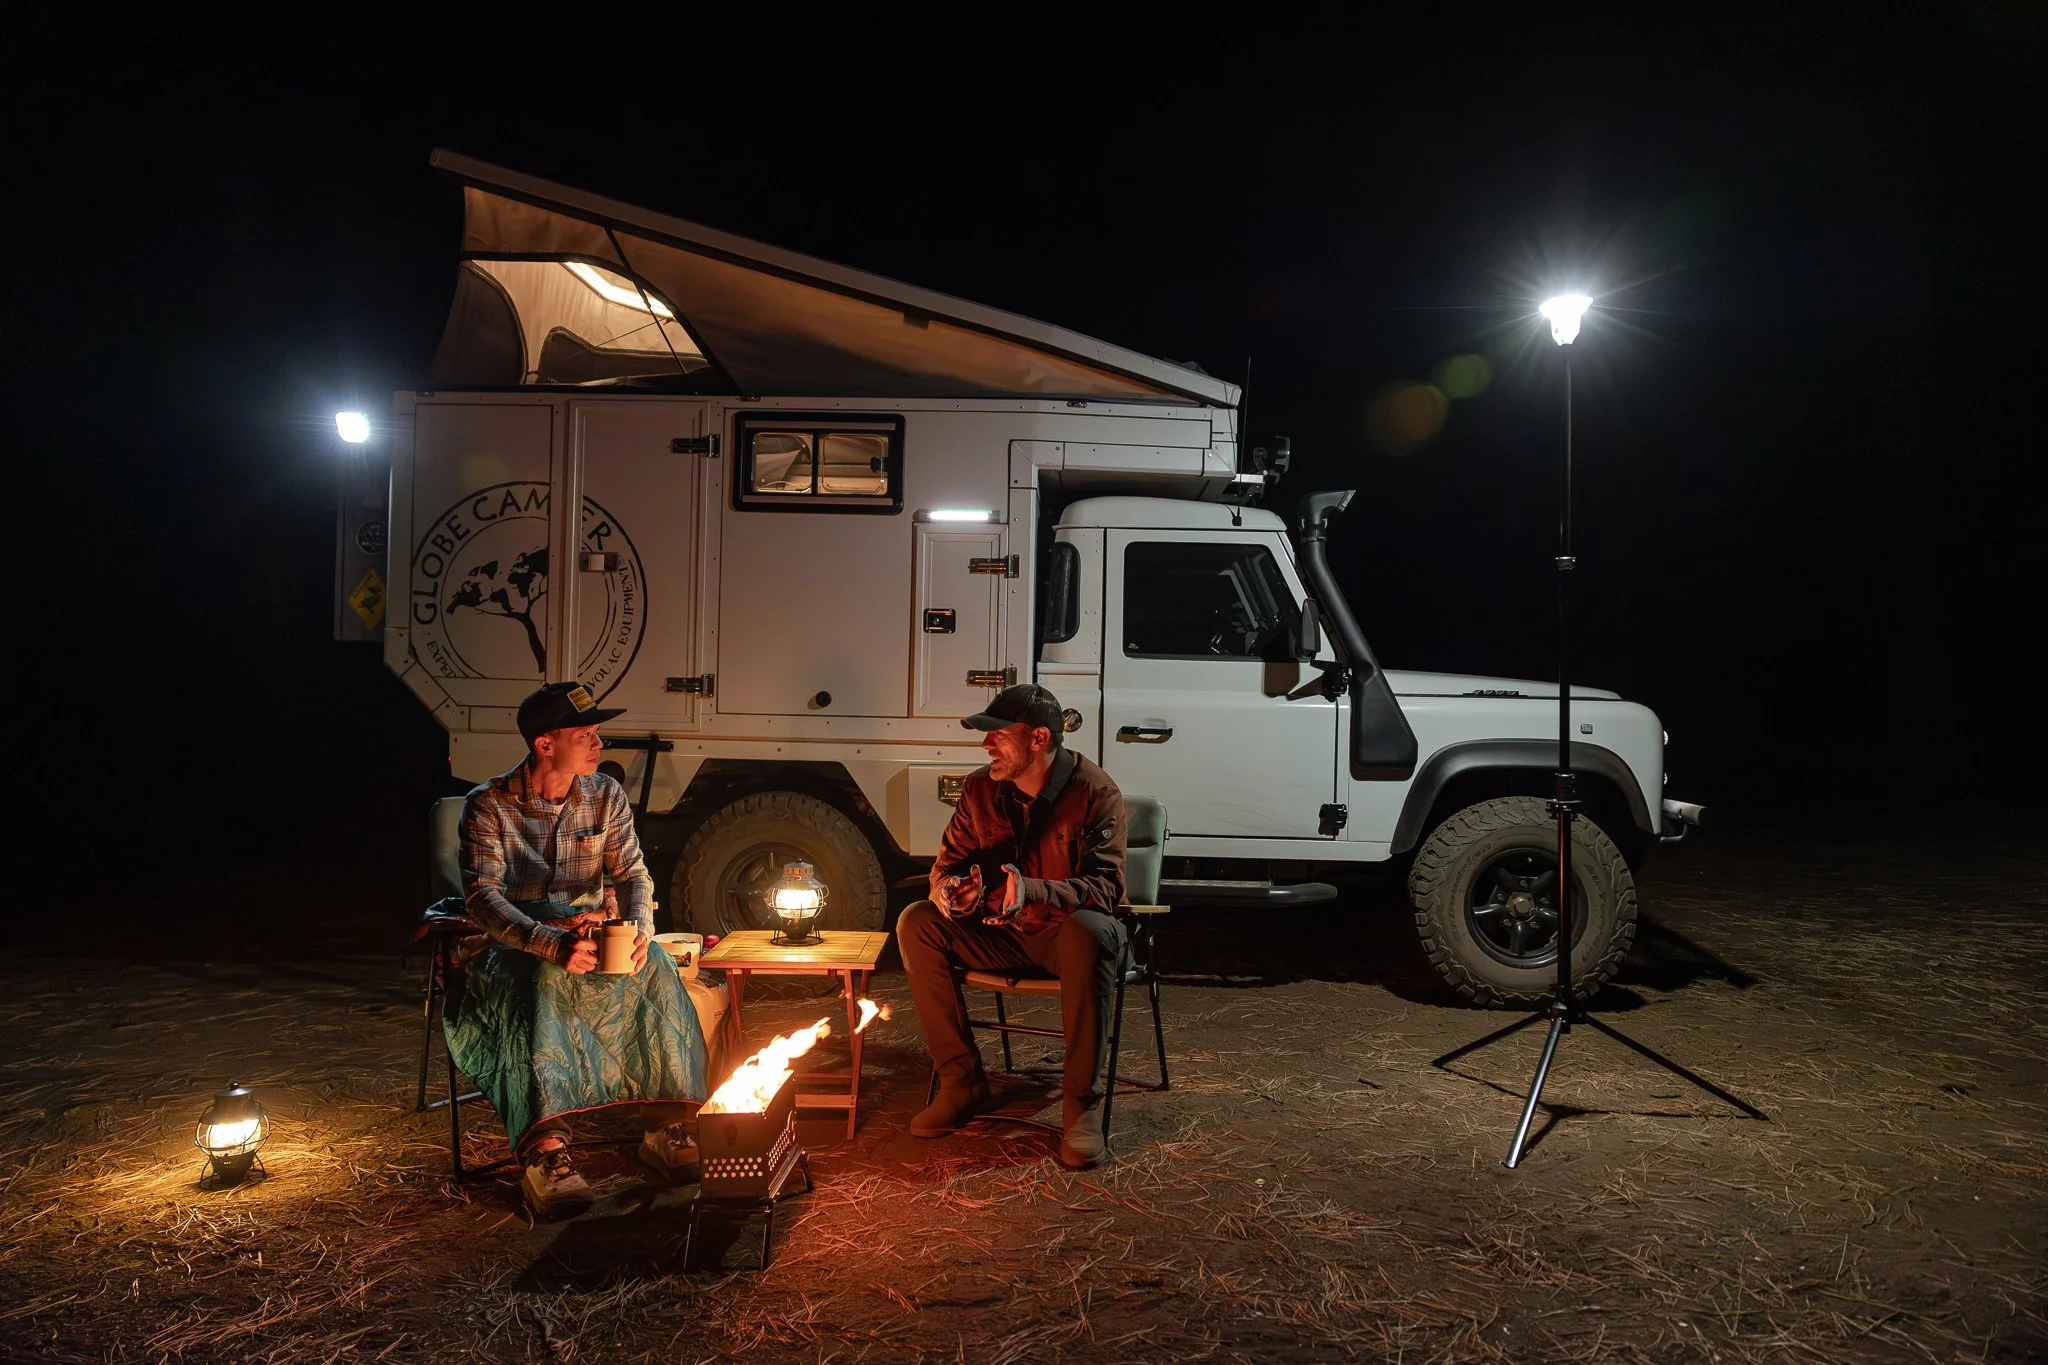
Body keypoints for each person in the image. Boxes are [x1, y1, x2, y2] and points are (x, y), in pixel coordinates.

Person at [446, 680, 709, 1217]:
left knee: (654, 965)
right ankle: (547, 1152)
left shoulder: (604, 795)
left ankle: (664, 1126)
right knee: (544, 980)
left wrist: (636, 929)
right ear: (546, 744)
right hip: (510, 943)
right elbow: (484, 899)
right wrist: (548, 943)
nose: (599, 744)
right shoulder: (489, 806)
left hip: (581, 928)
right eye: (586, 734)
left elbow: (633, 872)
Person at [897, 683, 1128, 1169]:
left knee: (1091, 931)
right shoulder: (981, 788)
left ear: (1039, 738)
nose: (986, 746)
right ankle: (962, 1085)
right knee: (918, 922)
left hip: (1063, 939)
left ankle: (1079, 1107)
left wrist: (1032, 891)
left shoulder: (1095, 792)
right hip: (1000, 934)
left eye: (998, 735)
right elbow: (947, 866)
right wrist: (951, 893)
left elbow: (1107, 892)